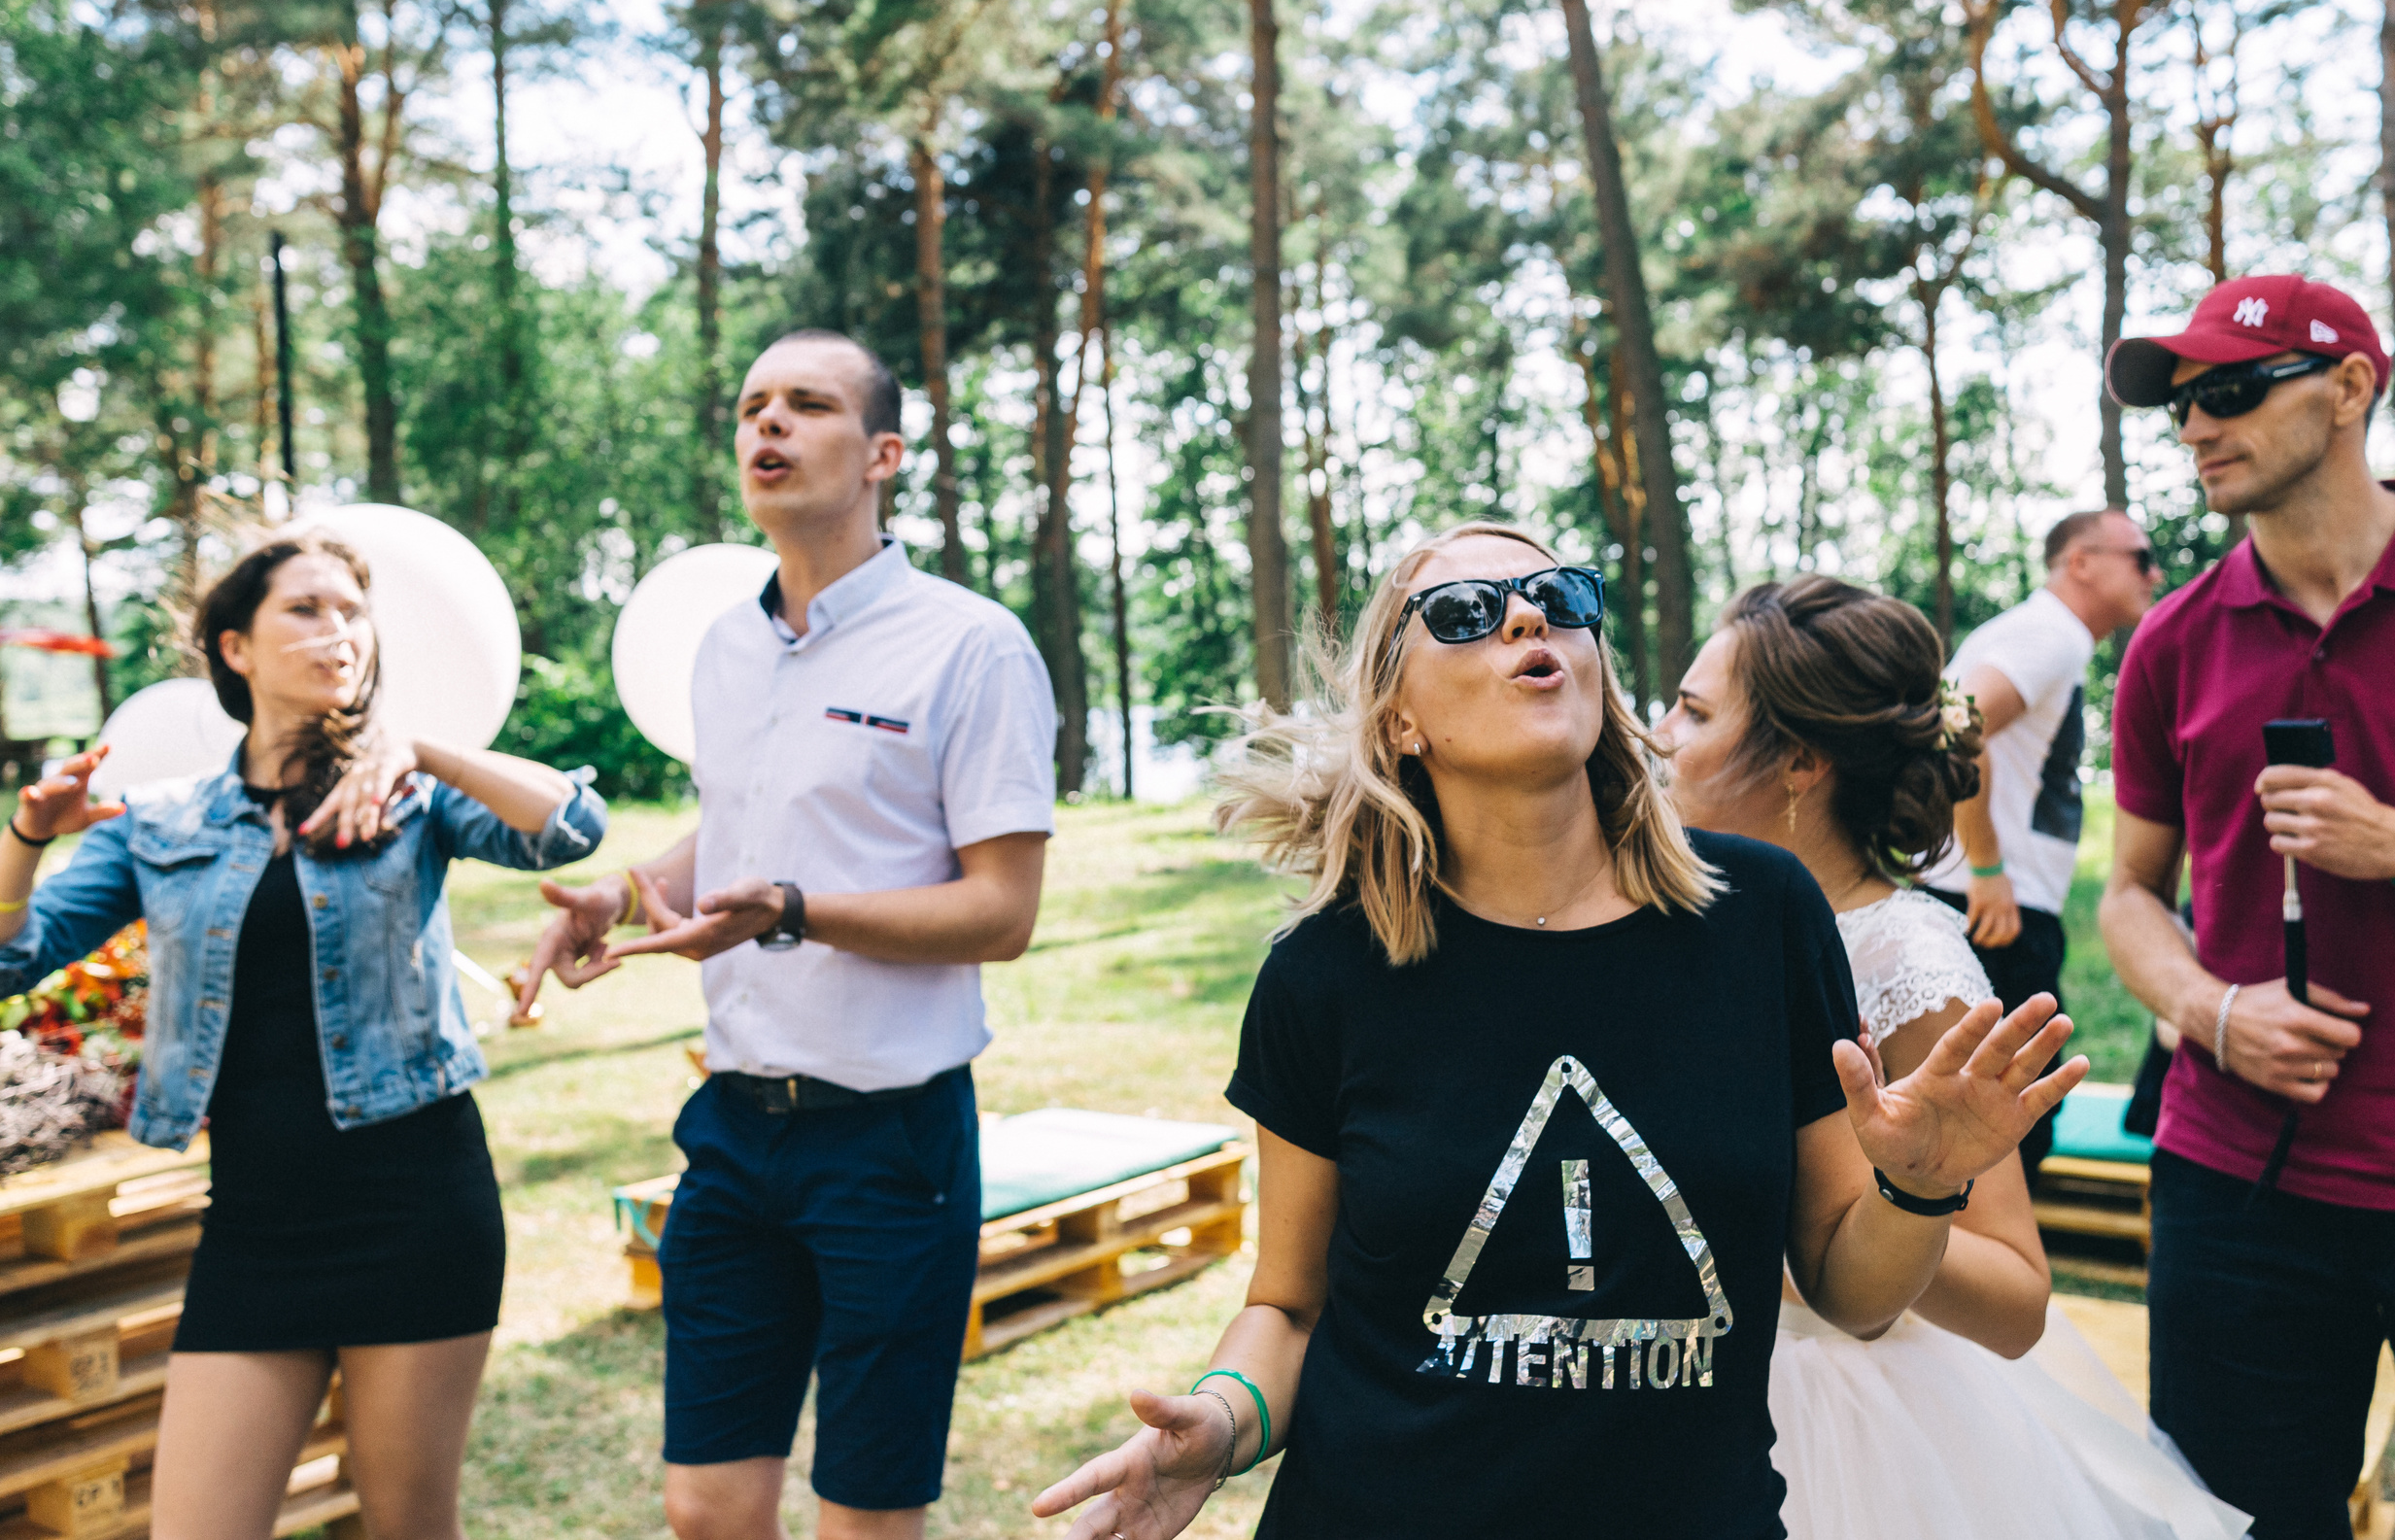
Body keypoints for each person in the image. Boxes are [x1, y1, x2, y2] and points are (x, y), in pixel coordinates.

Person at [1031, 522, 2084, 1540]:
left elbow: (1849, 1294)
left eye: (1560, 596)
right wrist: (1222, 1423)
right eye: (1464, 611)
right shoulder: (1325, 970)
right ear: (1399, 721)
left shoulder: (1763, 915)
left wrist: (1917, 1188)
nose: (1528, 617)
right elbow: (1291, 1308)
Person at [517, 329, 1055, 1540]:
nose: (767, 424)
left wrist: (795, 914)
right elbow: (739, 827)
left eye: (806, 404)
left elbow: (1002, 912)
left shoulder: (970, 644)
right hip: (732, 1129)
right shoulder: (726, 645)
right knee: (704, 1509)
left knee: (864, 1516)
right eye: (753, 404)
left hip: (890, 1144)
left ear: (882, 456)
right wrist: (622, 893)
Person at [0, 532, 608, 1540]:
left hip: (416, 1207)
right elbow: (11, 960)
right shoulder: (159, 822)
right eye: (307, 608)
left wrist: (422, 750)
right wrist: (27, 838)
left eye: (353, 610)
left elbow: (571, 826)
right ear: (235, 647)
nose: (340, 630)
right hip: (256, 1224)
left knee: (408, 1525)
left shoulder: (409, 792)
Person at [1658, 574, 2246, 1540]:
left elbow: (2016, 1298)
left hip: (1838, 1423)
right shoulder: (1683, 921)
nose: (1659, 736)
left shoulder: (1906, 960)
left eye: (1691, 711)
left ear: (1799, 762)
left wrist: (1875, 1214)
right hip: (1669, 1385)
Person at [2096, 273, 2395, 1538]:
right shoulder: (2171, 640)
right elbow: (2130, 896)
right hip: (2236, 1186)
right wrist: (2212, 1011)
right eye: (2180, 406)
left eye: (2230, 391)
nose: (2195, 428)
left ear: (2351, 387)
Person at [1921, 509, 2162, 1181]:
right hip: (1993, 910)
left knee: (1987, 1129)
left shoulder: (2042, 633)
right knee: (2009, 1133)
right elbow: (1957, 724)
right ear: (2080, 562)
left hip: (1981, 900)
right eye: (2140, 558)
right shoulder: (2049, 633)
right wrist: (1987, 865)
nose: (2155, 574)